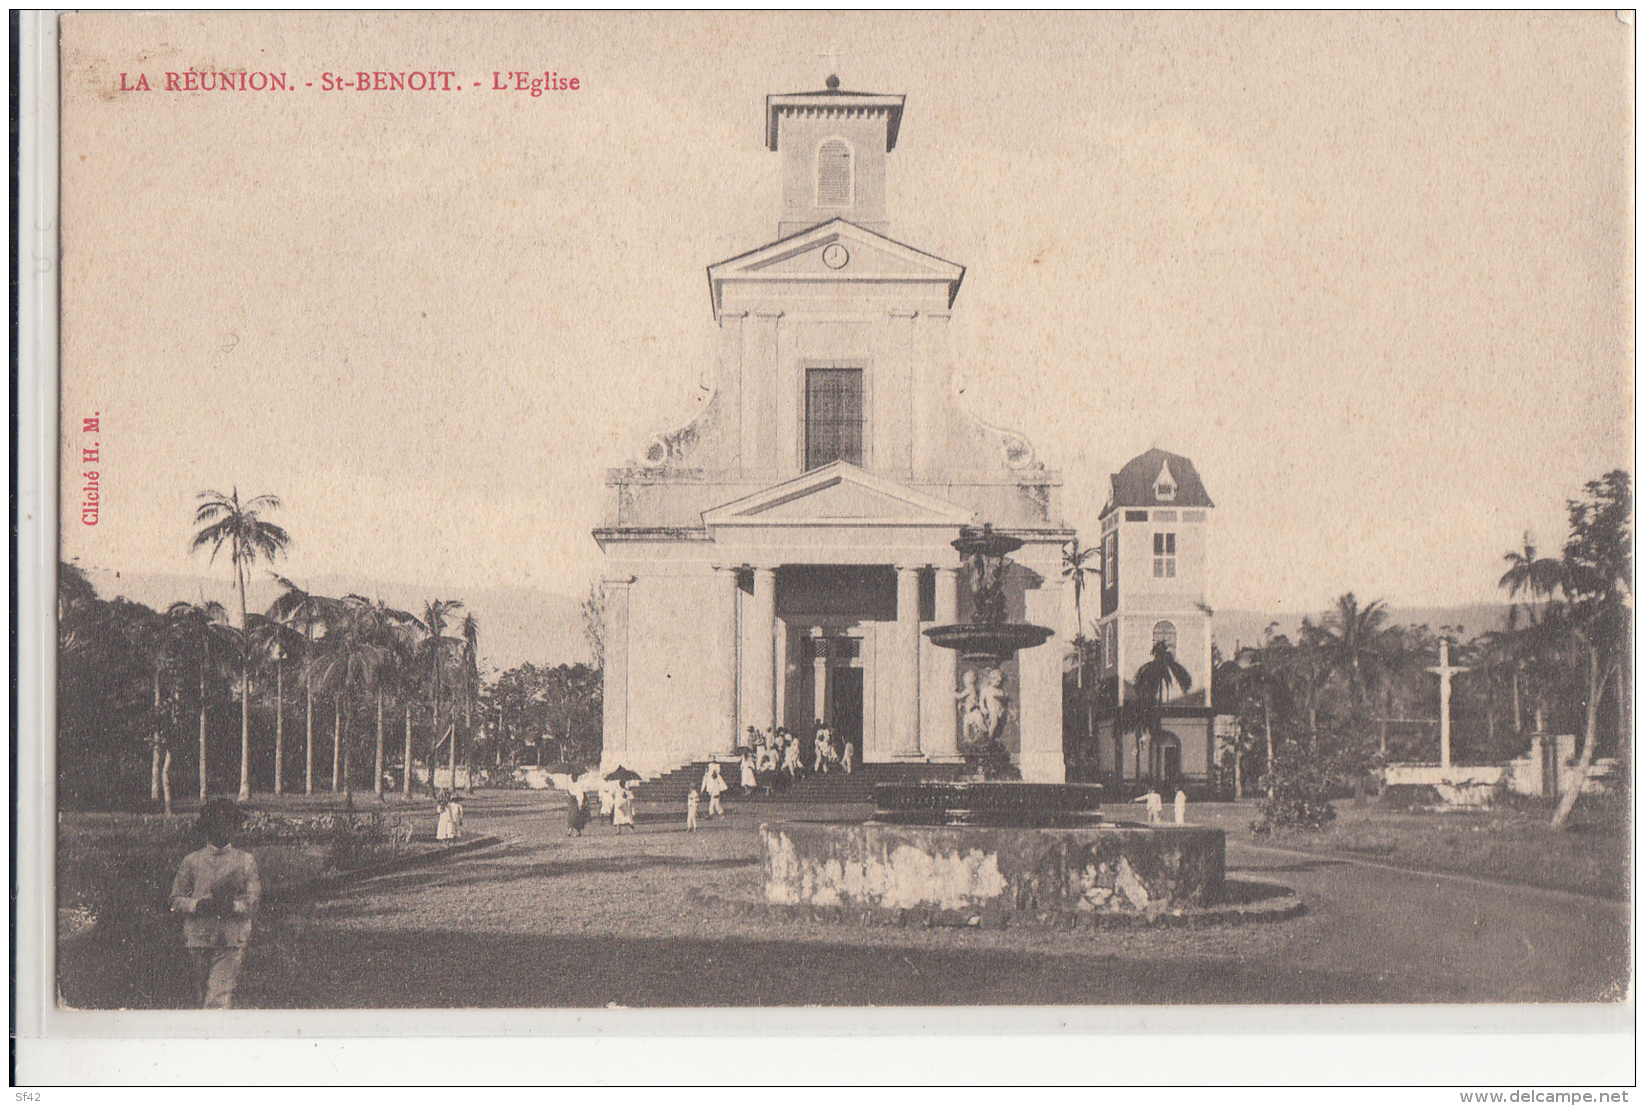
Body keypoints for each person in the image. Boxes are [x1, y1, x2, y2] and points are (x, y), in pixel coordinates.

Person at [169, 798, 261, 1009]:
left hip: (230, 939)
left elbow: (254, 901)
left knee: (218, 999)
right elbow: (175, 900)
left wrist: (232, 906)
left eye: (228, 823)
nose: (223, 829)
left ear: (234, 827)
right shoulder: (192, 861)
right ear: (207, 828)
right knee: (198, 998)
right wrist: (196, 905)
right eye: (216, 823)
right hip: (197, 938)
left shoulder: (245, 861)